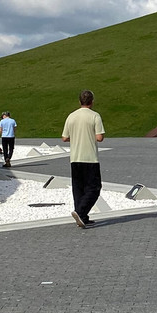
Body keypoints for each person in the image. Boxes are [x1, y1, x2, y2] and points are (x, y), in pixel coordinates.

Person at [61, 89, 105, 228]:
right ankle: (80, 212)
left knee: (78, 188)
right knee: (94, 188)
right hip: (90, 157)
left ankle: (82, 217)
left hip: (75, 158)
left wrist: (76, 137)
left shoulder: (71, 116)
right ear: (92, 101)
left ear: (79, 101)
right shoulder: (95, 116)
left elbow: (64, 138)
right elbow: (99, 137)